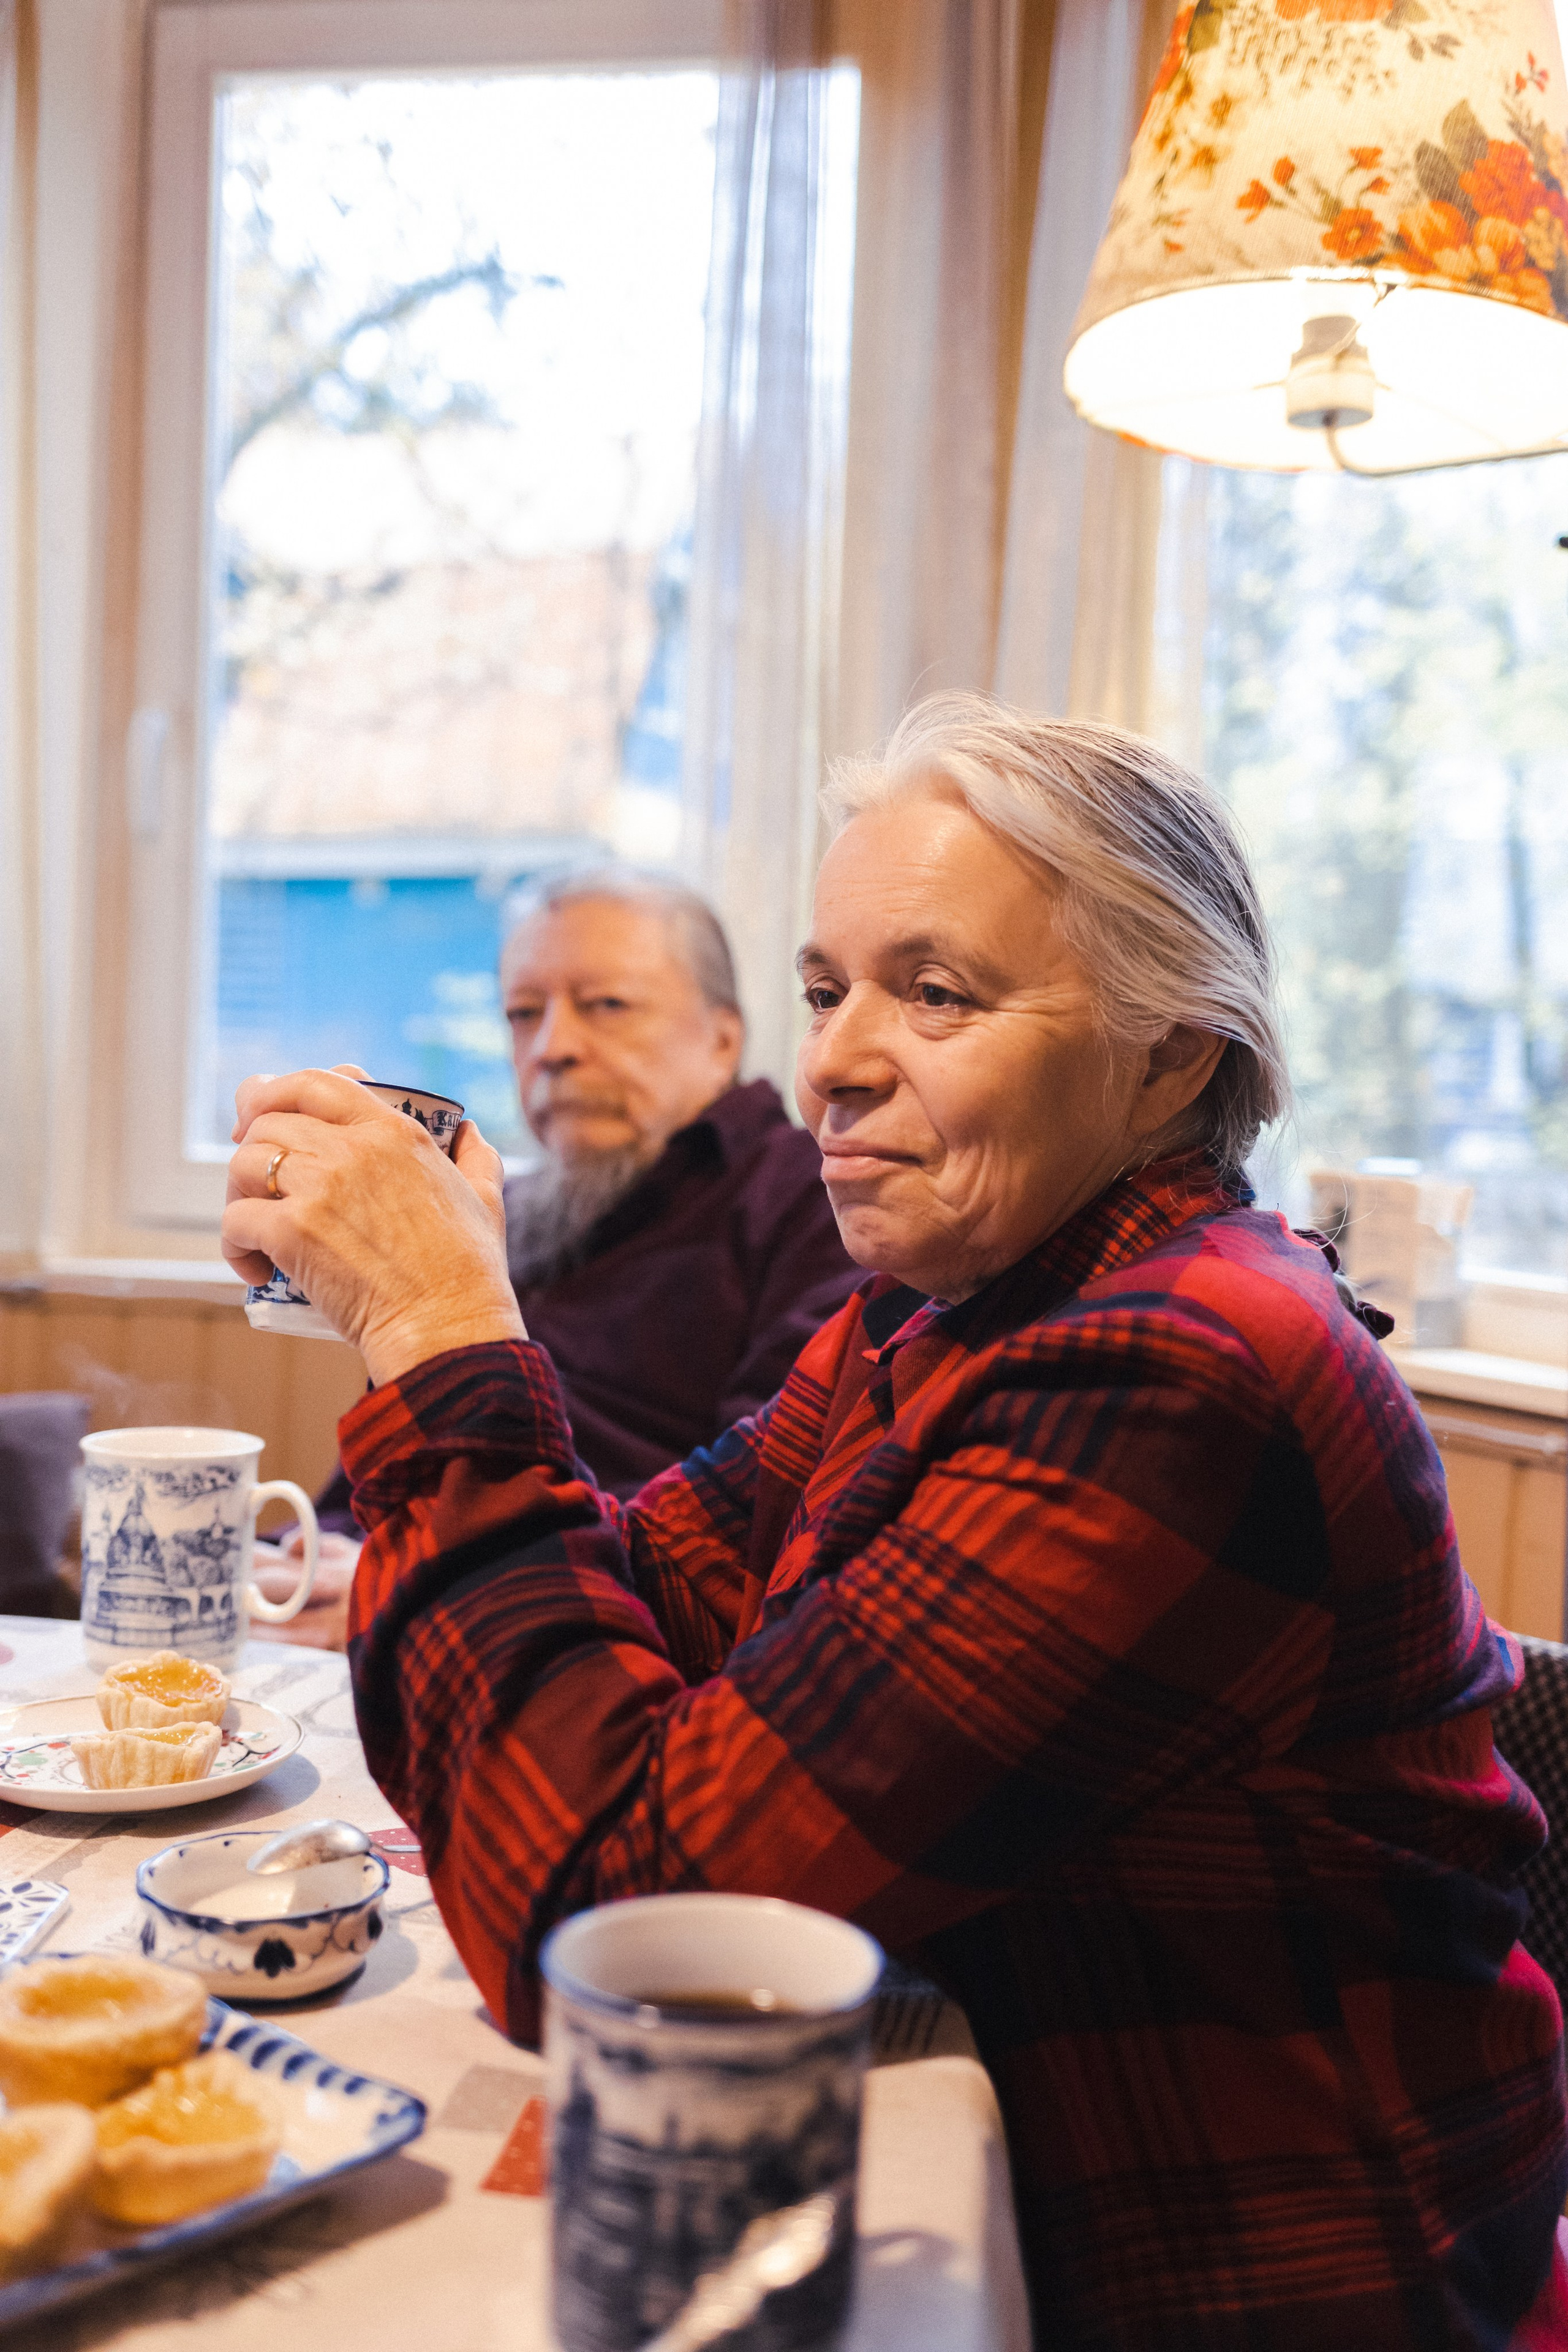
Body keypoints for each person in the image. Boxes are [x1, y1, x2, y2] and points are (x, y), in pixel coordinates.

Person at [222, 693, 1568, 2349]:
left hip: (1277, 2285)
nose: (837, 1063)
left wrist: (439, 1329)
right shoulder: (936, 1318)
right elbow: (610, 1616)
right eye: (824, 988)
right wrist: (456, 1301)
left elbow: (614, 1929)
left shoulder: (1185, 1370)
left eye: (936, 994)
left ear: (1171, 1055)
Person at [265, 870, 858, 1645]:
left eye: (606, 1005)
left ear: (722, 1038)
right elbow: (380, 1474)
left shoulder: (814, 1197)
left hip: (594, 1631)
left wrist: (414, 1583)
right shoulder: (501, 1206)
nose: (553, 1048)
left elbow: (762, 1524)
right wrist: (307, 1557)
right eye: (523, 1014)